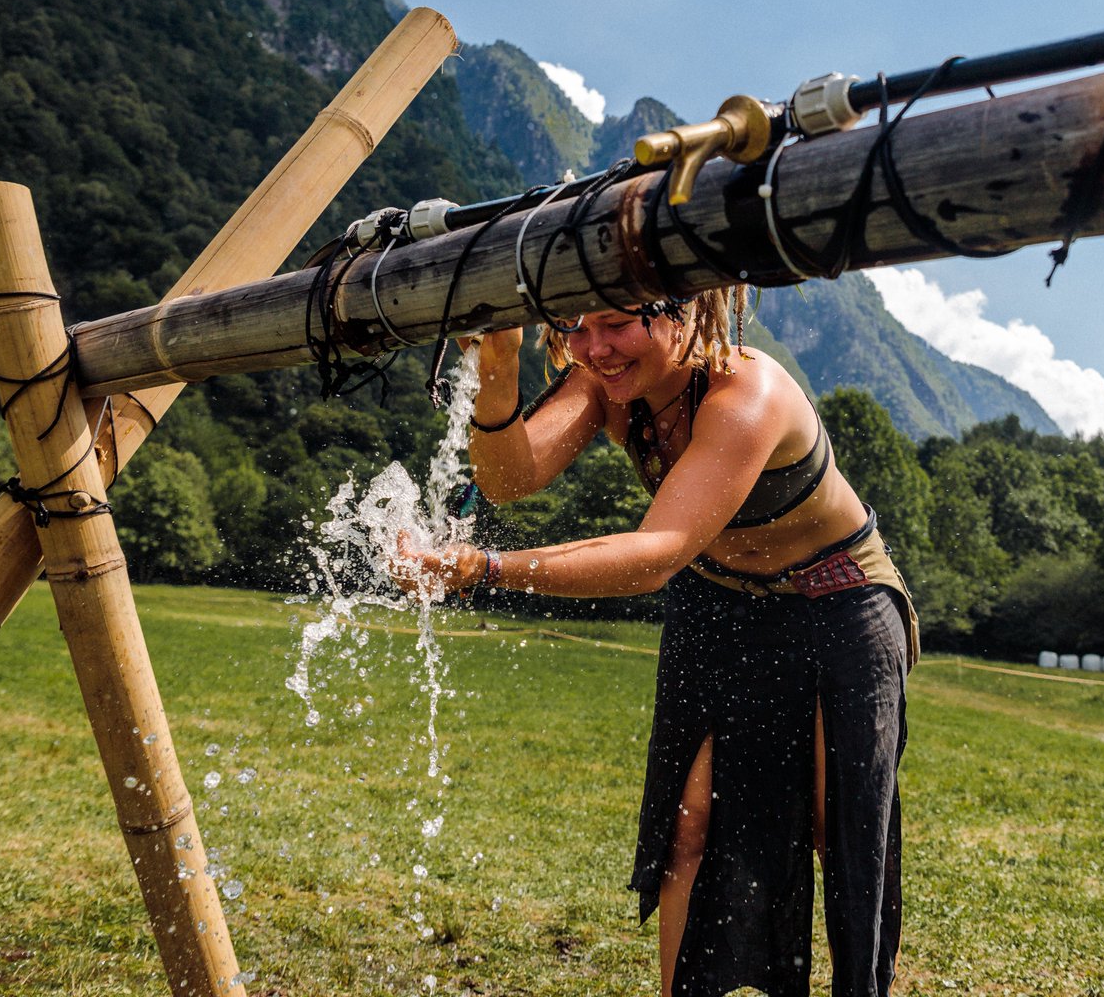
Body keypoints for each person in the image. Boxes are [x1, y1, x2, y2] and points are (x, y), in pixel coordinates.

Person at [392, 287, 918, 997]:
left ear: (687, 312)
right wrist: (500, 364)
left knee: (839, 830)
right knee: (690, 820)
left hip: (836, 598)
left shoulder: (747, 392)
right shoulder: (606, 382)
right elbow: (510, 476)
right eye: (575, 328)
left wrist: (483, 570)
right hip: (715, 595)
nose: (593, 346)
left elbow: (655, 553)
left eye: (615, 324)